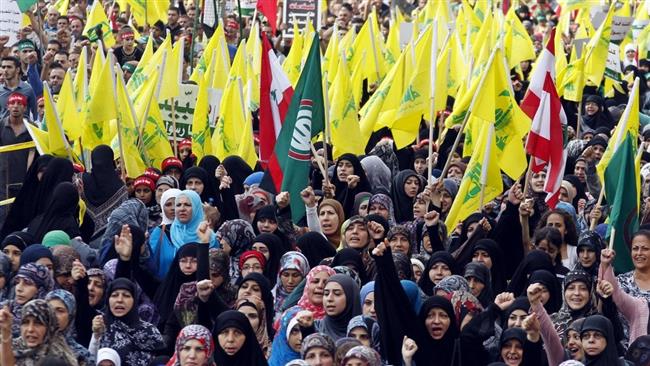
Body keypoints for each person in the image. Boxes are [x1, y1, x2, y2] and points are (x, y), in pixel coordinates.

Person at [90, 278, 165, 366]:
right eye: (114, 295)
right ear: (108, 300)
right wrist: (95, 335)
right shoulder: (101, 325)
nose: (120, 300)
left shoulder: (149, 330)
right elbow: (90, 360)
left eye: (126, 295)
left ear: (134, 301)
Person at [0, 299, 77, 366]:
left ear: (49, 327)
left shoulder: (59, 357)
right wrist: (6, 331)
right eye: (26, 322)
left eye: (38, 323)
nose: (30, 329)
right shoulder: (12, 347)